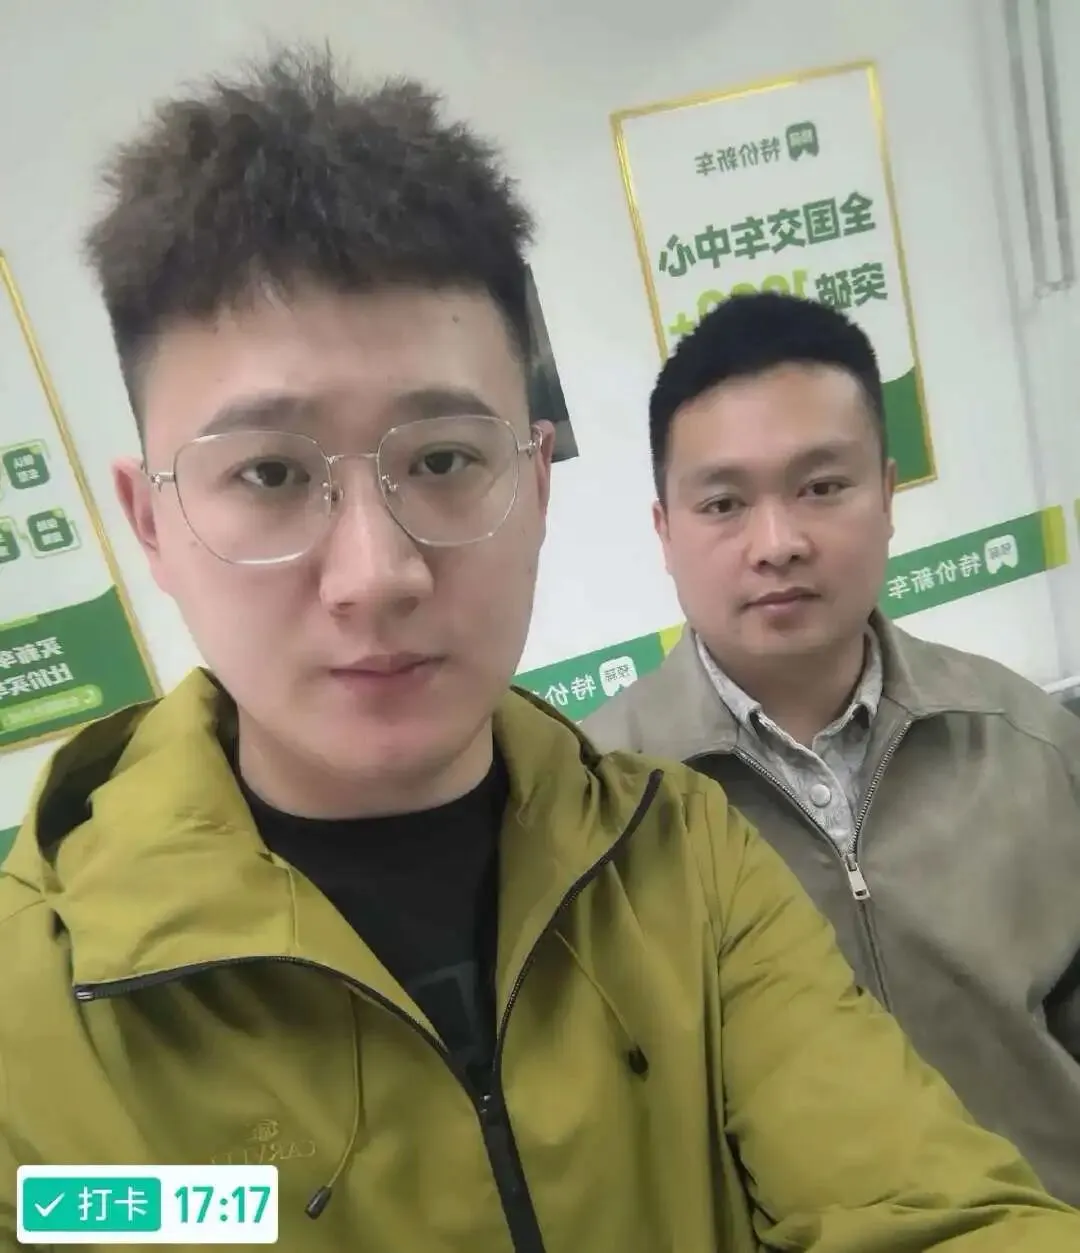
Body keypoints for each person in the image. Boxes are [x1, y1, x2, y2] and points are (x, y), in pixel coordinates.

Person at [1, 50, 1078, 1253]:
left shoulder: (683, 863)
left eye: (443, 459)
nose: (377, 572)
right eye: (268, 473)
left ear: (538, 481)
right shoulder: (33, 1002)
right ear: (151, 521)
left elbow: (925, 1206)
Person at [583, 290, 1080, 1207]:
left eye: (821, 487)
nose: (777, 543)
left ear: (887, 494)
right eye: (724, 502)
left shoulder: (1023, 737)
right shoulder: (595, 805)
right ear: (665, 531)